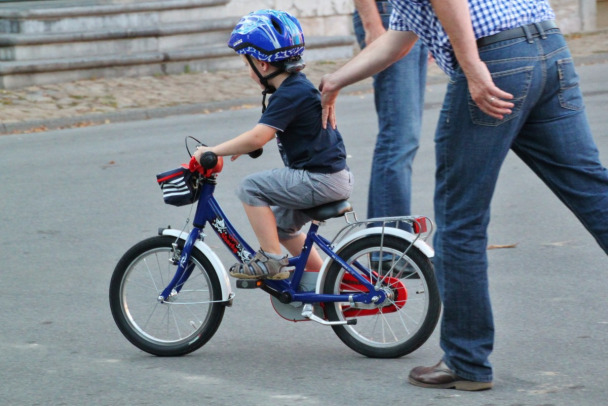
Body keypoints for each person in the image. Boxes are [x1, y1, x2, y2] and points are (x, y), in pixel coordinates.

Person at [319, 0, 608, 391]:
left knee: (461, 219)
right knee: (592, 190)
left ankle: (466, 359)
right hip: (548, 48)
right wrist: (336, 80)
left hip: (493, 57)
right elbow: (398, 43)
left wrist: (471, 66)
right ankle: (466, 357)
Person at [194, 9, 354, 280]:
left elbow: (259, 136)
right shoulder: (295, 88)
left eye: (247, 64)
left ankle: (270, 258)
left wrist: (212, 150)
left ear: (262, 64)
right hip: (331, 177)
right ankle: (322, 281)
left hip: (319, 179)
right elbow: (266, 134)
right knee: (281, 227)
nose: (248, 71)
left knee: (250, 187)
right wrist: (241, 147)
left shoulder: (289, 94)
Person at [353, 0, 427, 229]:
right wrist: (372, 23)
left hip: (415, 17)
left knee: (403, 140)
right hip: (387, 16)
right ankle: (390, 247)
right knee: (399, 139)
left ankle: (383, 242)